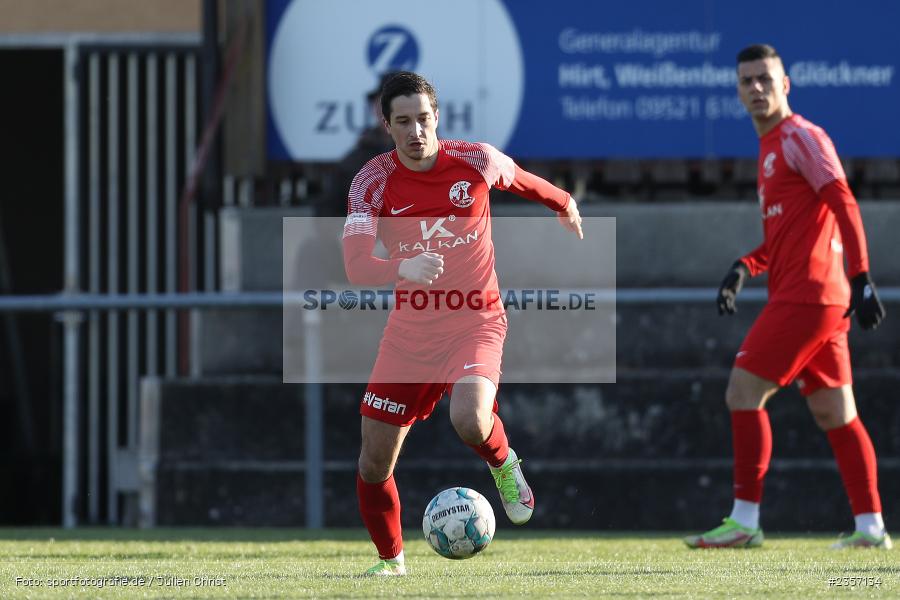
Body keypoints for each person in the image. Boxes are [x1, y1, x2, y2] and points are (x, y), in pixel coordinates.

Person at [342, 71, 583, 575]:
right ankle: (392, 564)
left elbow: (521, 179)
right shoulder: (371, 180)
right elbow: (356, 266)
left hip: (476, 319)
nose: (416, 132)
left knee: (470, 419)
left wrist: (563, 202)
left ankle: (504, 463)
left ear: (437, 118)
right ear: (386, 124)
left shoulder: (474, 159)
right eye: (403, 121)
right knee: (372, 462)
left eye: (423, 119)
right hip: (410, 335)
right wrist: (399, 267)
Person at [684, 44, 890, 550]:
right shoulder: (770, 146)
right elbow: (787, 237)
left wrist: (864, 276)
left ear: (785, 84)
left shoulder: (800, 137)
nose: (756, 88)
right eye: (747, 80)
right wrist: (745, 266)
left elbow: (843, 200)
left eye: (765, 79)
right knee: (836, 414)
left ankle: (745, 521)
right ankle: (871, 528)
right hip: (818, 299)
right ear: (738, 90)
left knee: (742, 392)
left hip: (809, 298)